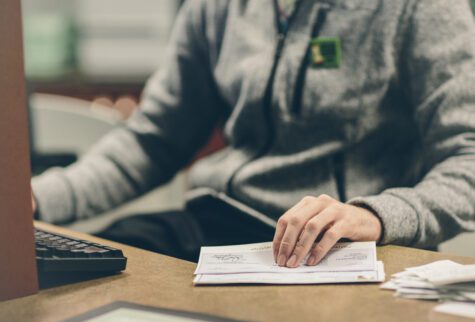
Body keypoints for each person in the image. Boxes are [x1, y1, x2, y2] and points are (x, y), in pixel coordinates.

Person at [32, 0, 475, 267]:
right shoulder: (217, 7)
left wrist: (377, 216)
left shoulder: (421, 8)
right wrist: (33, 201)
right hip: (222, 221)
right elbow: (154, 139)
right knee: (98, 268)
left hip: (348, 246)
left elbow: (467, 158)